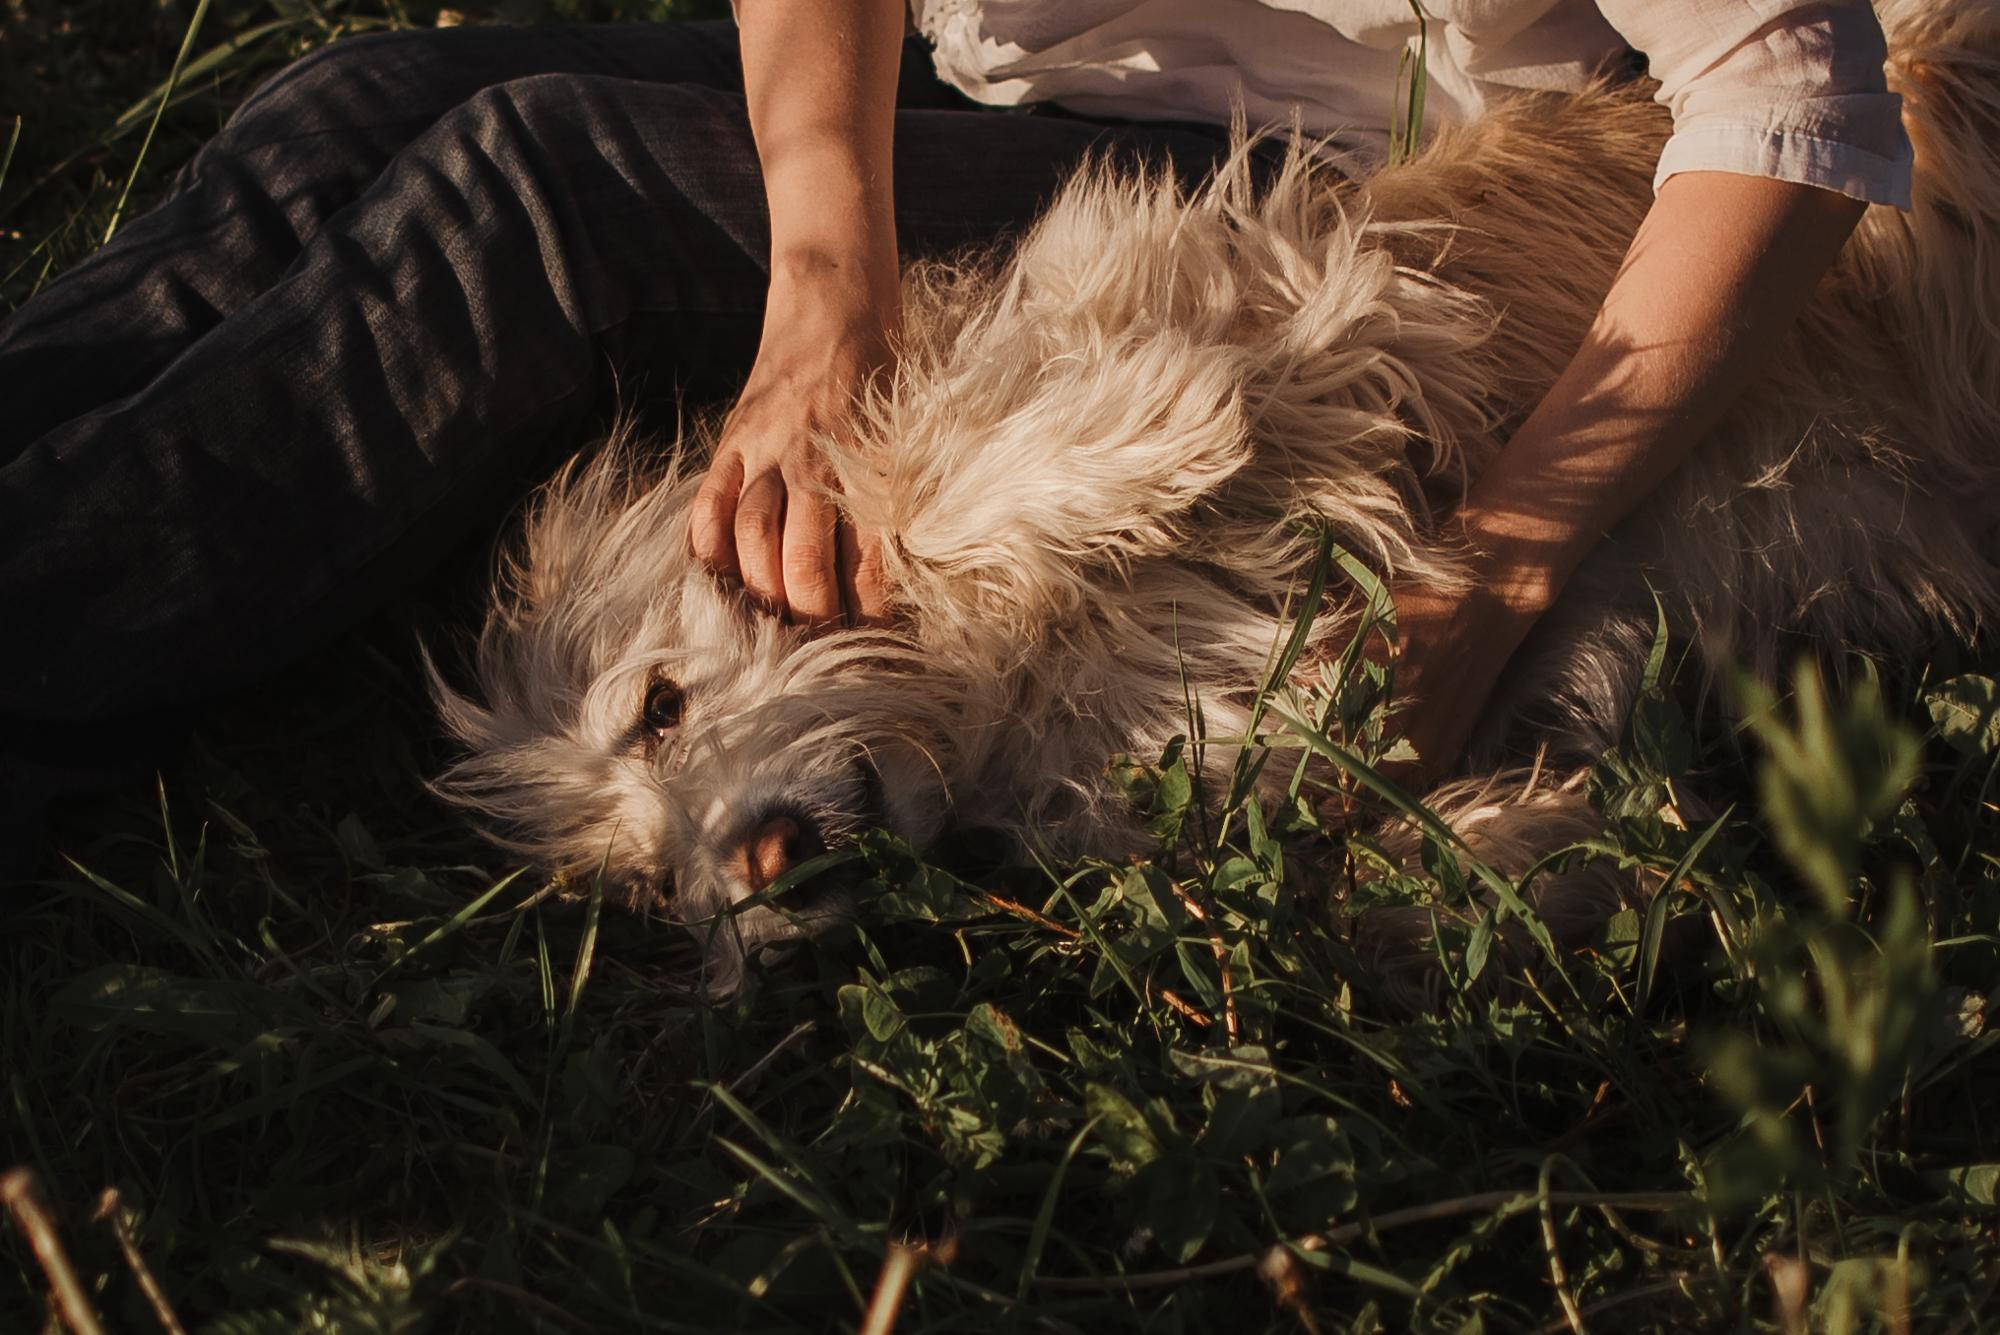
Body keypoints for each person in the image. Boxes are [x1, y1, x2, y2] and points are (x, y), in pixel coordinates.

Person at [0, 1, 1910, 830]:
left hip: (1322, 167)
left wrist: (1491, 573)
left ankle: (43, 642)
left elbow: (1794, 104)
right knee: (350, 111)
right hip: (1035, 86)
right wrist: (822, 290)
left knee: (537, 191)